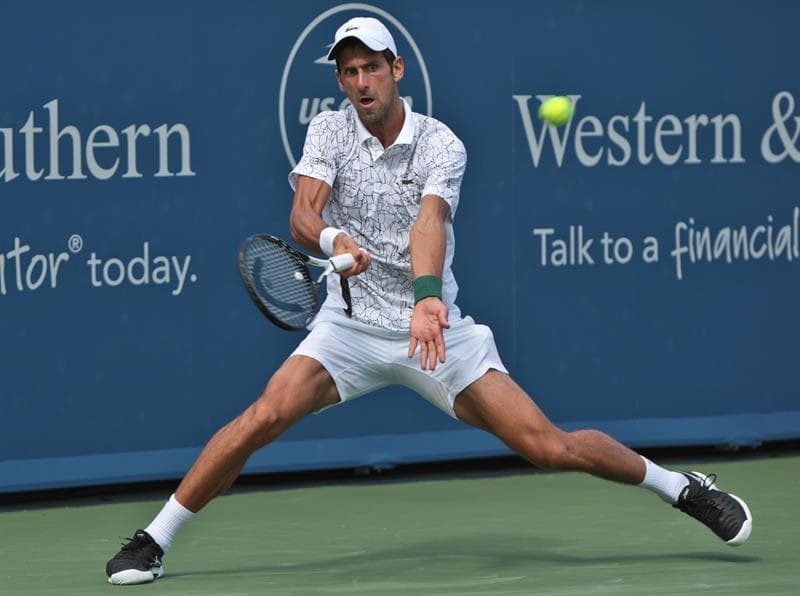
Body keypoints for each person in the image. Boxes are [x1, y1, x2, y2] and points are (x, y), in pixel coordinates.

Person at [105, 16, 752, 585]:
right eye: (349, 71)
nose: (361, 83)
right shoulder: (328, 132)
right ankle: (154, 539)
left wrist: (425, 298)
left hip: (432, 329)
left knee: (547, 446)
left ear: (397, 69)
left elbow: (429, 224)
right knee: (263, 416)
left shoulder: (442, 145)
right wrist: (336, 238)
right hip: (350, 326)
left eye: (371, 69)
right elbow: (303, 214)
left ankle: (682, 487)